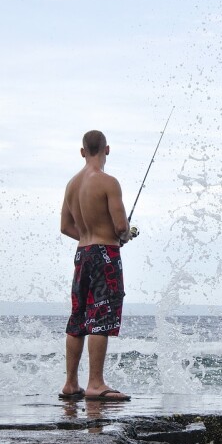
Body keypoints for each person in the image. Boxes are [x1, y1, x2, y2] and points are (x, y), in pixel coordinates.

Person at [58, 130, 133, 401]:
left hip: (82, 254)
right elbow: (121, 226)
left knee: (78, 318)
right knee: (100, 316)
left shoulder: (72, 185)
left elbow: (66, 227)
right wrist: (121, 237)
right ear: (107, 150)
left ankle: (70, 384)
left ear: (82, 152)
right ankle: (96, 384)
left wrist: (90, 240)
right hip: (105, 255)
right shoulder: (108, 182)